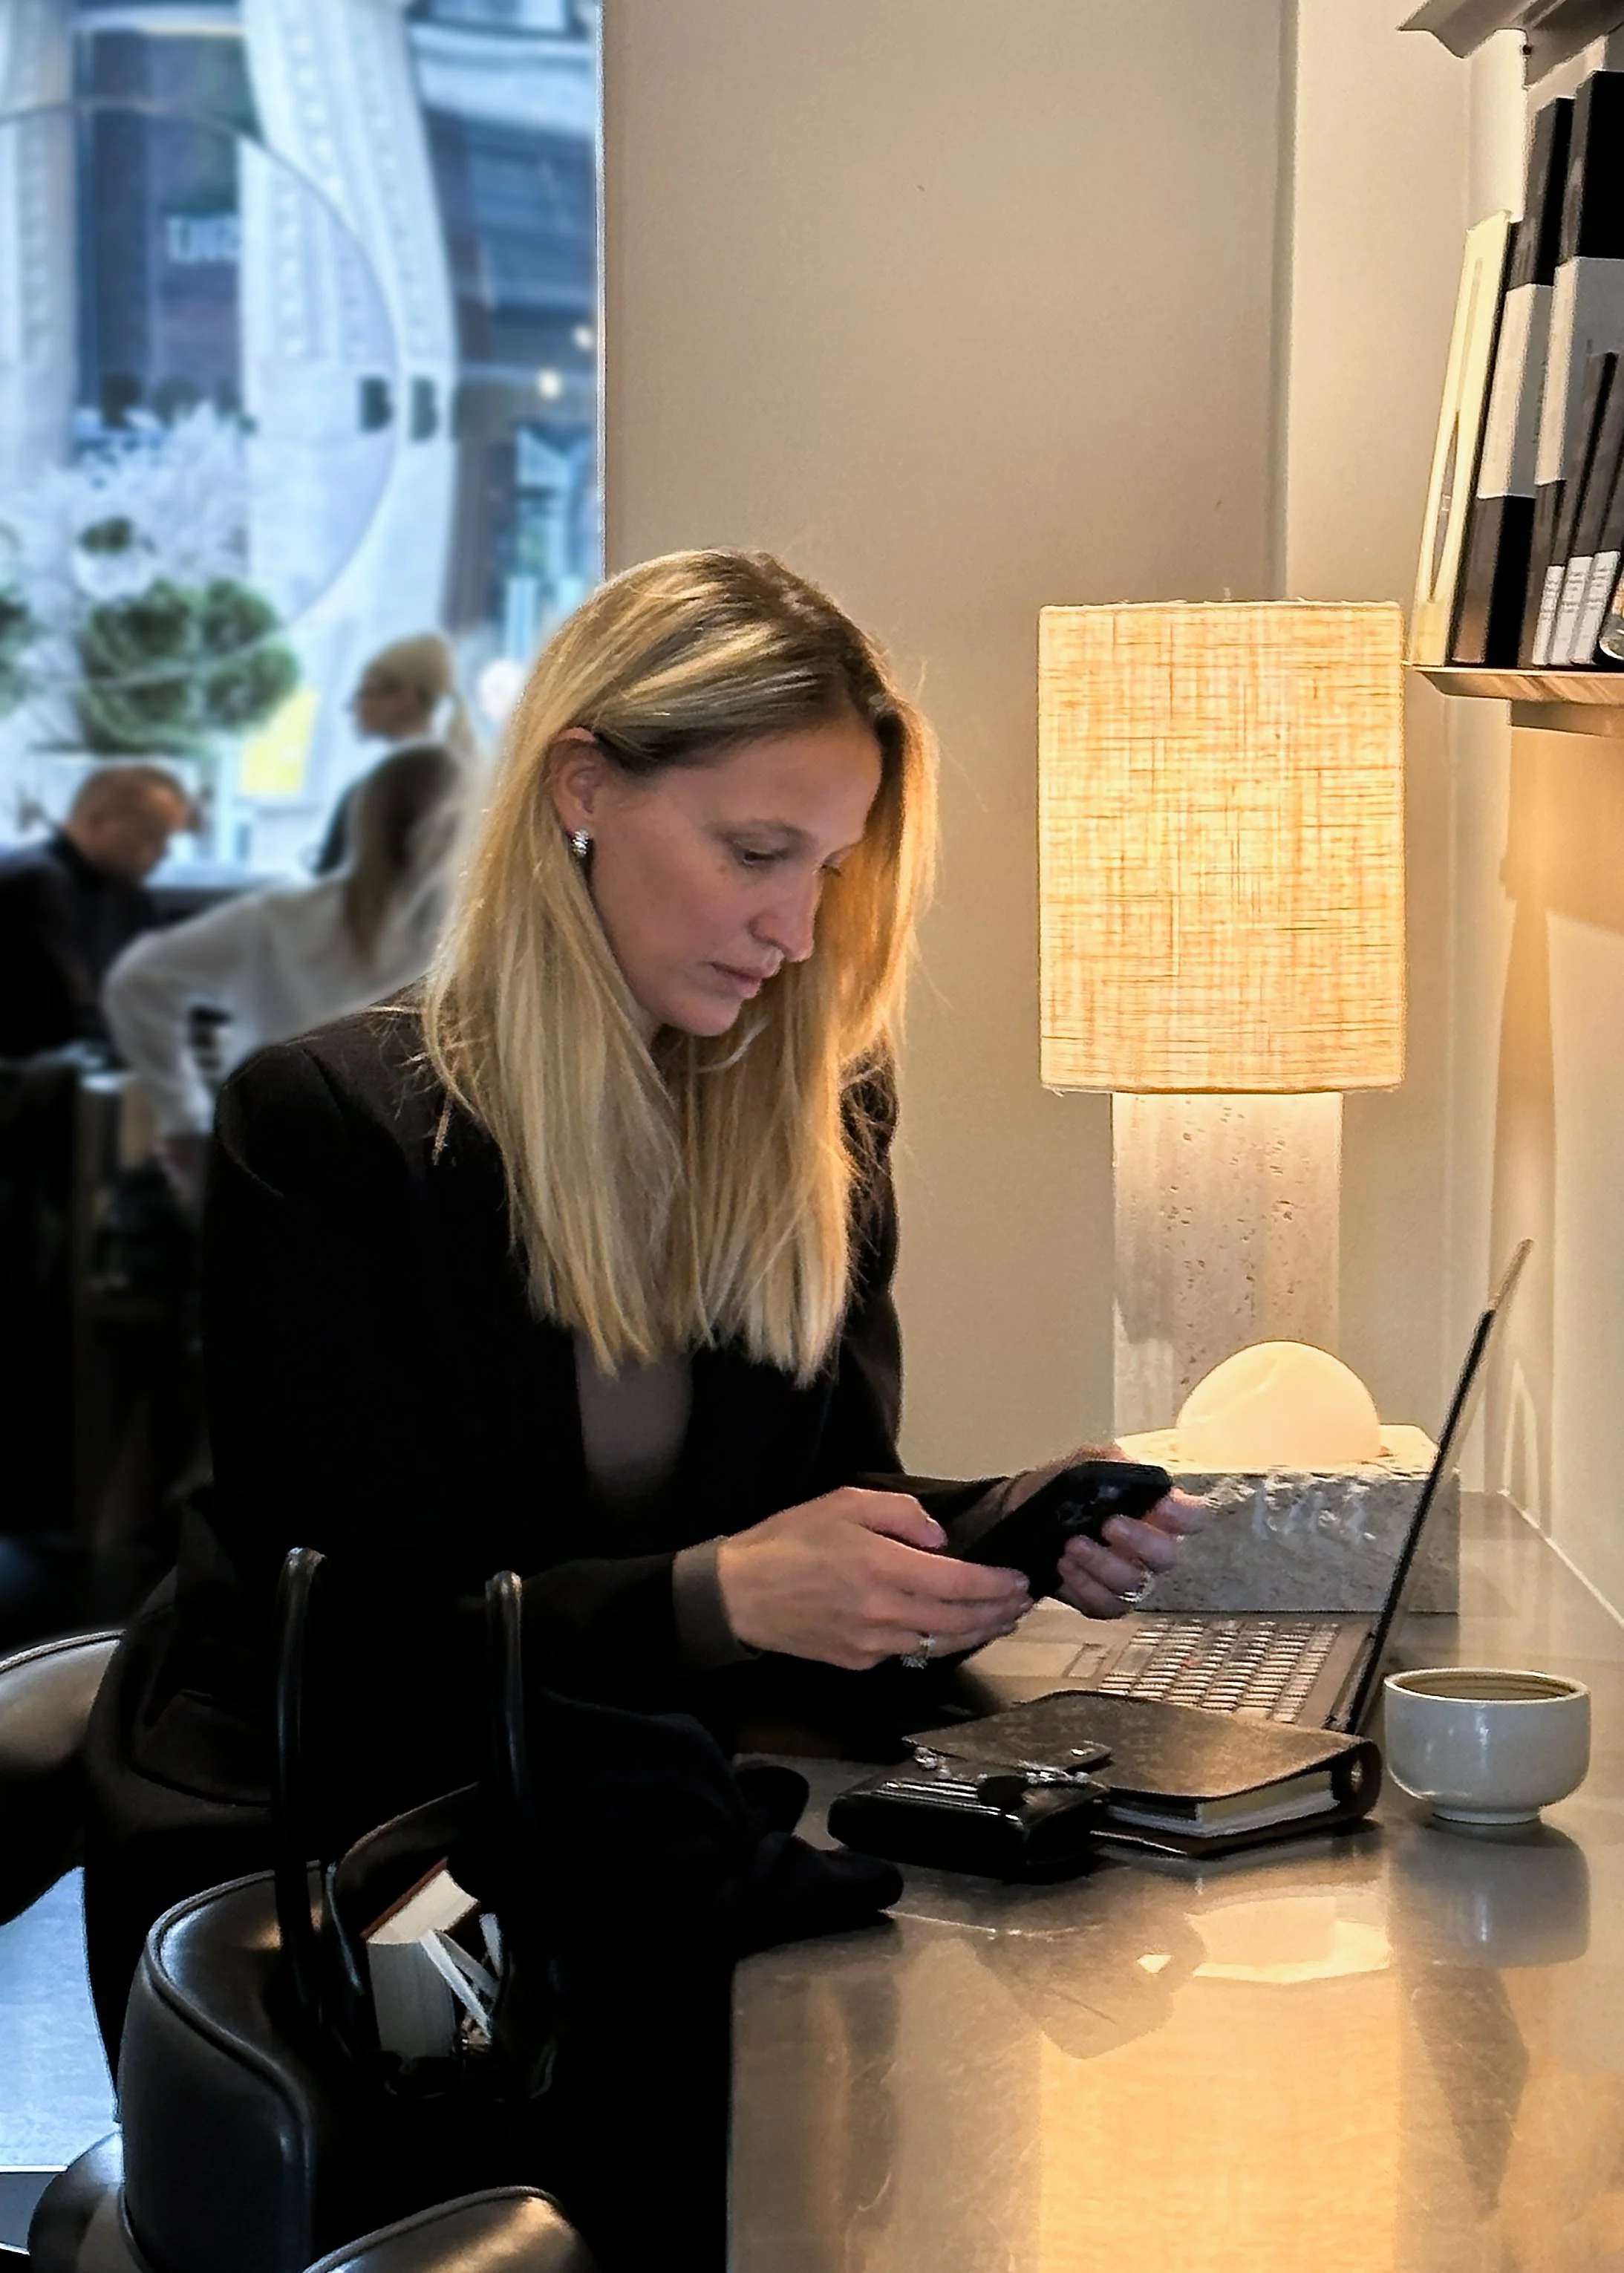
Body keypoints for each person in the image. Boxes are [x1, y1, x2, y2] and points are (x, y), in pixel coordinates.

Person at [83, 552, 1206, 2231]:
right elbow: (369, 1640)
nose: (796, 928)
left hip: (597, 1802)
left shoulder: (818, 1115)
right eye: (756, 852)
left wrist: (997, 1532)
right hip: (334, 1849)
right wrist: (719, 1596)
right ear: (582, 789)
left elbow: (813, 1495)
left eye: (830, 867)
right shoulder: (324, 1131)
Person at [101, 739, 463, 1214]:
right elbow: (139, 983)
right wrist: (184, 1118)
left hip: (278, 1155)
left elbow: (139, 982)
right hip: (394, 1170)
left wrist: (182, 1118)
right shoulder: (463, 941)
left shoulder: (284, 918)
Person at [0, 764, 192, 1059]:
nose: (164, 852)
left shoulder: (129, 892)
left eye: (167, 839)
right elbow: (68, 1016)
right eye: (150, 835)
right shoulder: (35, 884)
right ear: (95, 821)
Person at [313, 630, 480, 876]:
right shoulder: (463, 781)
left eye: (365, 693)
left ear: (405, 697)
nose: (353, 707)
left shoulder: (380, 793)